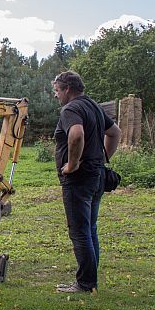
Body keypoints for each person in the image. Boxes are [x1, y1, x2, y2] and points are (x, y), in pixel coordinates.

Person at [52, 71, 121, 293]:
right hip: (96, 175)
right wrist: (101, 160)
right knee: (90, 229)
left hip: (79, 179)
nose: (56, 96)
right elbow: (115, 132)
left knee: (80, 231)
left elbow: (76, 135)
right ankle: (89, 282)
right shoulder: (94, 106)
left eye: (57, 91)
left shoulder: (71, 109)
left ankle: (85, 284)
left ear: (67, 89)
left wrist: (72, 165)